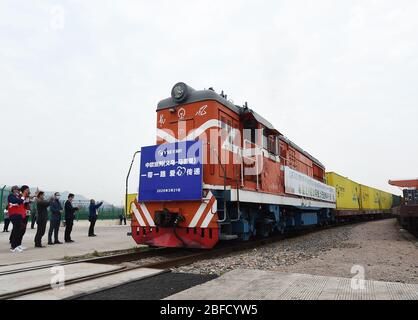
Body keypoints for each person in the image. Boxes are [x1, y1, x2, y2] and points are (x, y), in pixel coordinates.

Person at [8, 186, 26, 252]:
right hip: (14, 215)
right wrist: (22, 198)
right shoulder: (11, 196)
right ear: (13, 190)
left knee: (18, 231)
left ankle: (16, 245)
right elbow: (18, 201)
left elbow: (20, 202)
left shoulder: (17, 196)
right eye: (17, 190)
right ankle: (13, 247)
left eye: (18, 190)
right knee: (16, 231)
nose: (18, 191)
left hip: (18, 215)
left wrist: (21, 199)